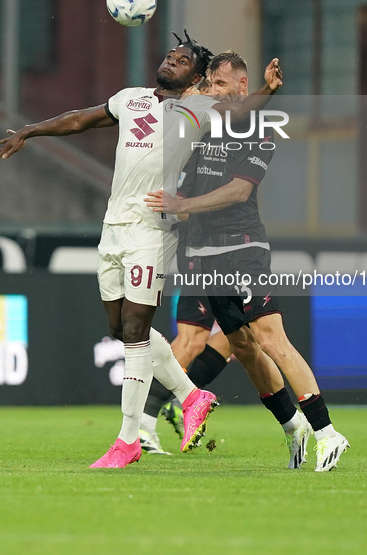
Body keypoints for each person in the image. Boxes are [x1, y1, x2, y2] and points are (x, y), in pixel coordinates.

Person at [0, 32, 283, 468]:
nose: (172, 60)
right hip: (114, 225)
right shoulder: (130, 98)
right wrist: (31, 131)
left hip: (154, 227)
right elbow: (79, 119)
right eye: (170, 55)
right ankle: (192, 396)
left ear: (195, 78)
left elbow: (241, 108)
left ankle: (128, 439)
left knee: (134, 328)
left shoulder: (199, 108)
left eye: (183, 59)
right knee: (119, 327)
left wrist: (266, 90)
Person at [144, 51, 350, 472]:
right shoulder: (200, 130)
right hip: (200, 256)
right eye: (210, 85)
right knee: (243, 347)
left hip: (241, 250)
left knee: (271, 338)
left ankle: (328, 433)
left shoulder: (258, 134)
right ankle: (293, 426)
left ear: (242, 87)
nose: (213, 93)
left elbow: (237, 193)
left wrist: (182, 204)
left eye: (222, 85)